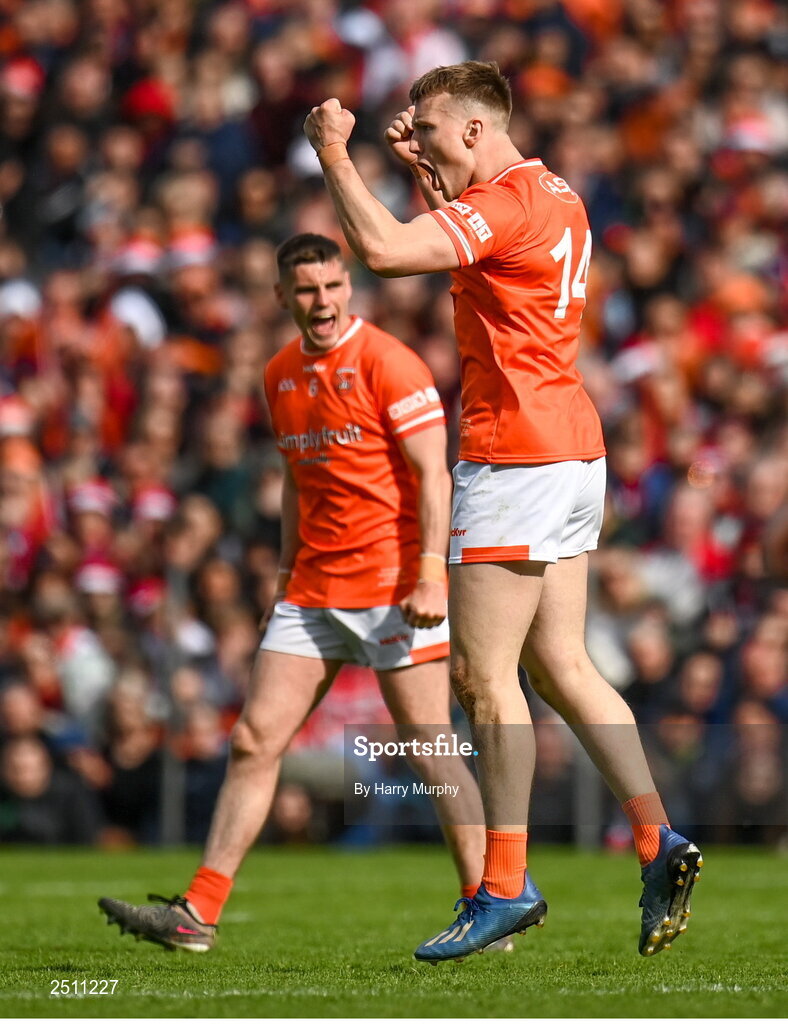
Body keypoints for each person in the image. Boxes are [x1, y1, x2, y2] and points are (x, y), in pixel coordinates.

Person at [301, 61, 703, 961]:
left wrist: (333, 153)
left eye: (434, 130)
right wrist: (419, 172)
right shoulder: (552, 190)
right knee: (561, 662)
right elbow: (466, 238)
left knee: (485, 680)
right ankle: (657, 838)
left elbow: (389, 253)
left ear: (478, 128)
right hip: (570, 445)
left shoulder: (512, 202)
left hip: (514, 450)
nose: (426, 142)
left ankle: (506, 884)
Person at [98, 232, 488, 952]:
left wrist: (432, 570)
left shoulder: (389, 363)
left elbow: (435, 474)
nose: (323, 301)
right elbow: (292, 481)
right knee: (252, 740)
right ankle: (199, 913)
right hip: (311, 589)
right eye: (306, 290)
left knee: (430, 747)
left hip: (393, 585)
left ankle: (487, 909)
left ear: (350, 287)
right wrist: (283, 574)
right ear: (282, 297)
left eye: (334, 286)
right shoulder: (279, 372)